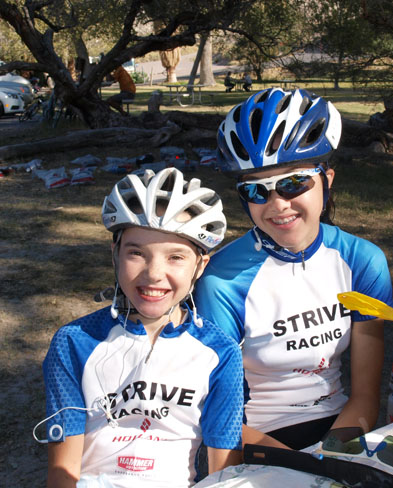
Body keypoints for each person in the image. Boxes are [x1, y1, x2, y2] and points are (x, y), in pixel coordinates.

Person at [194, 88, 393, 451]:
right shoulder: (221, 282)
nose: (278, 205)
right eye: (256, 191)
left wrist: (328, 457)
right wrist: (300, 467)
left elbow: (366, 396)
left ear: (327, 180)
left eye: (293, 183)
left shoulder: (363, 261)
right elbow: (220, 414)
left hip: (340, 426)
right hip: (254, 437)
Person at [42, 168, 243, 488]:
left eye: (175, 257)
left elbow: (225, 473)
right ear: (115, 254)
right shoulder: (73, 342)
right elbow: (62, 471)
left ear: (200, 266)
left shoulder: (221, 353)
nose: (153, 274)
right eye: (136, 253)